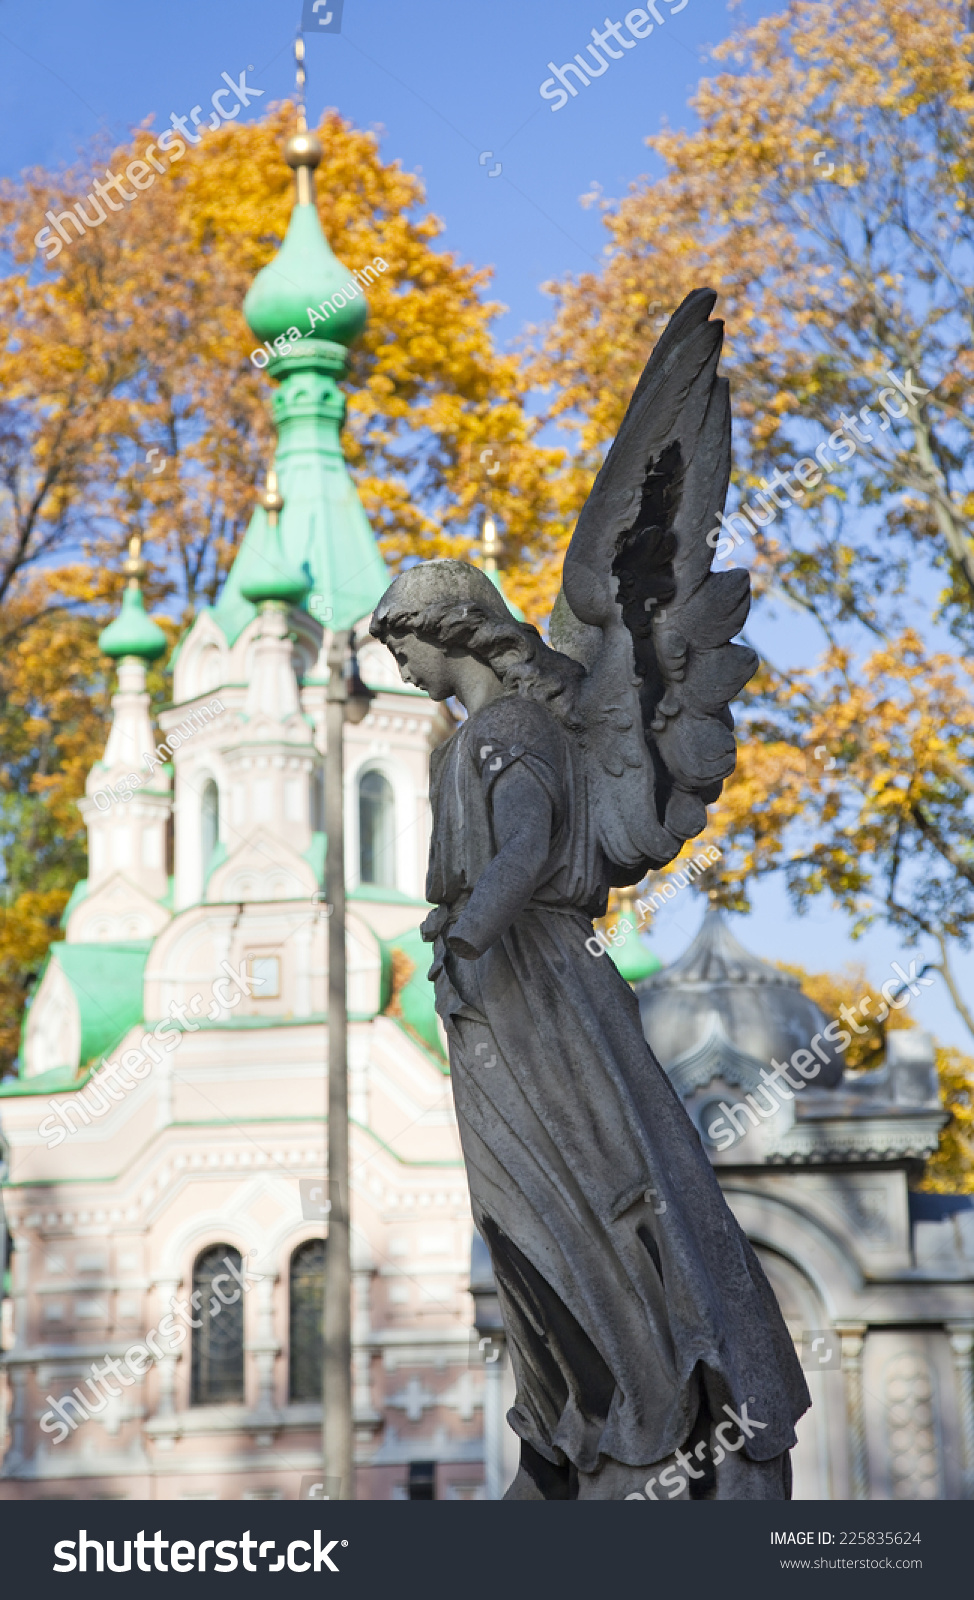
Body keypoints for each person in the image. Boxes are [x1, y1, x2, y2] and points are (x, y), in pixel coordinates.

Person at [372, 557, 810, 1500]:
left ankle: (649, 1423)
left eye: (405, 643)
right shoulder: (457, 746)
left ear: (450, 632)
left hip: (541, 981)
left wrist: (477, 924)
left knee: (583, 1192)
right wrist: (462, 946)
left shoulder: (514, 729)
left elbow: (526, 844)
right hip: (489, 989)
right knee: (517, 1214)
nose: (401, 665)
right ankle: (570, 1430)